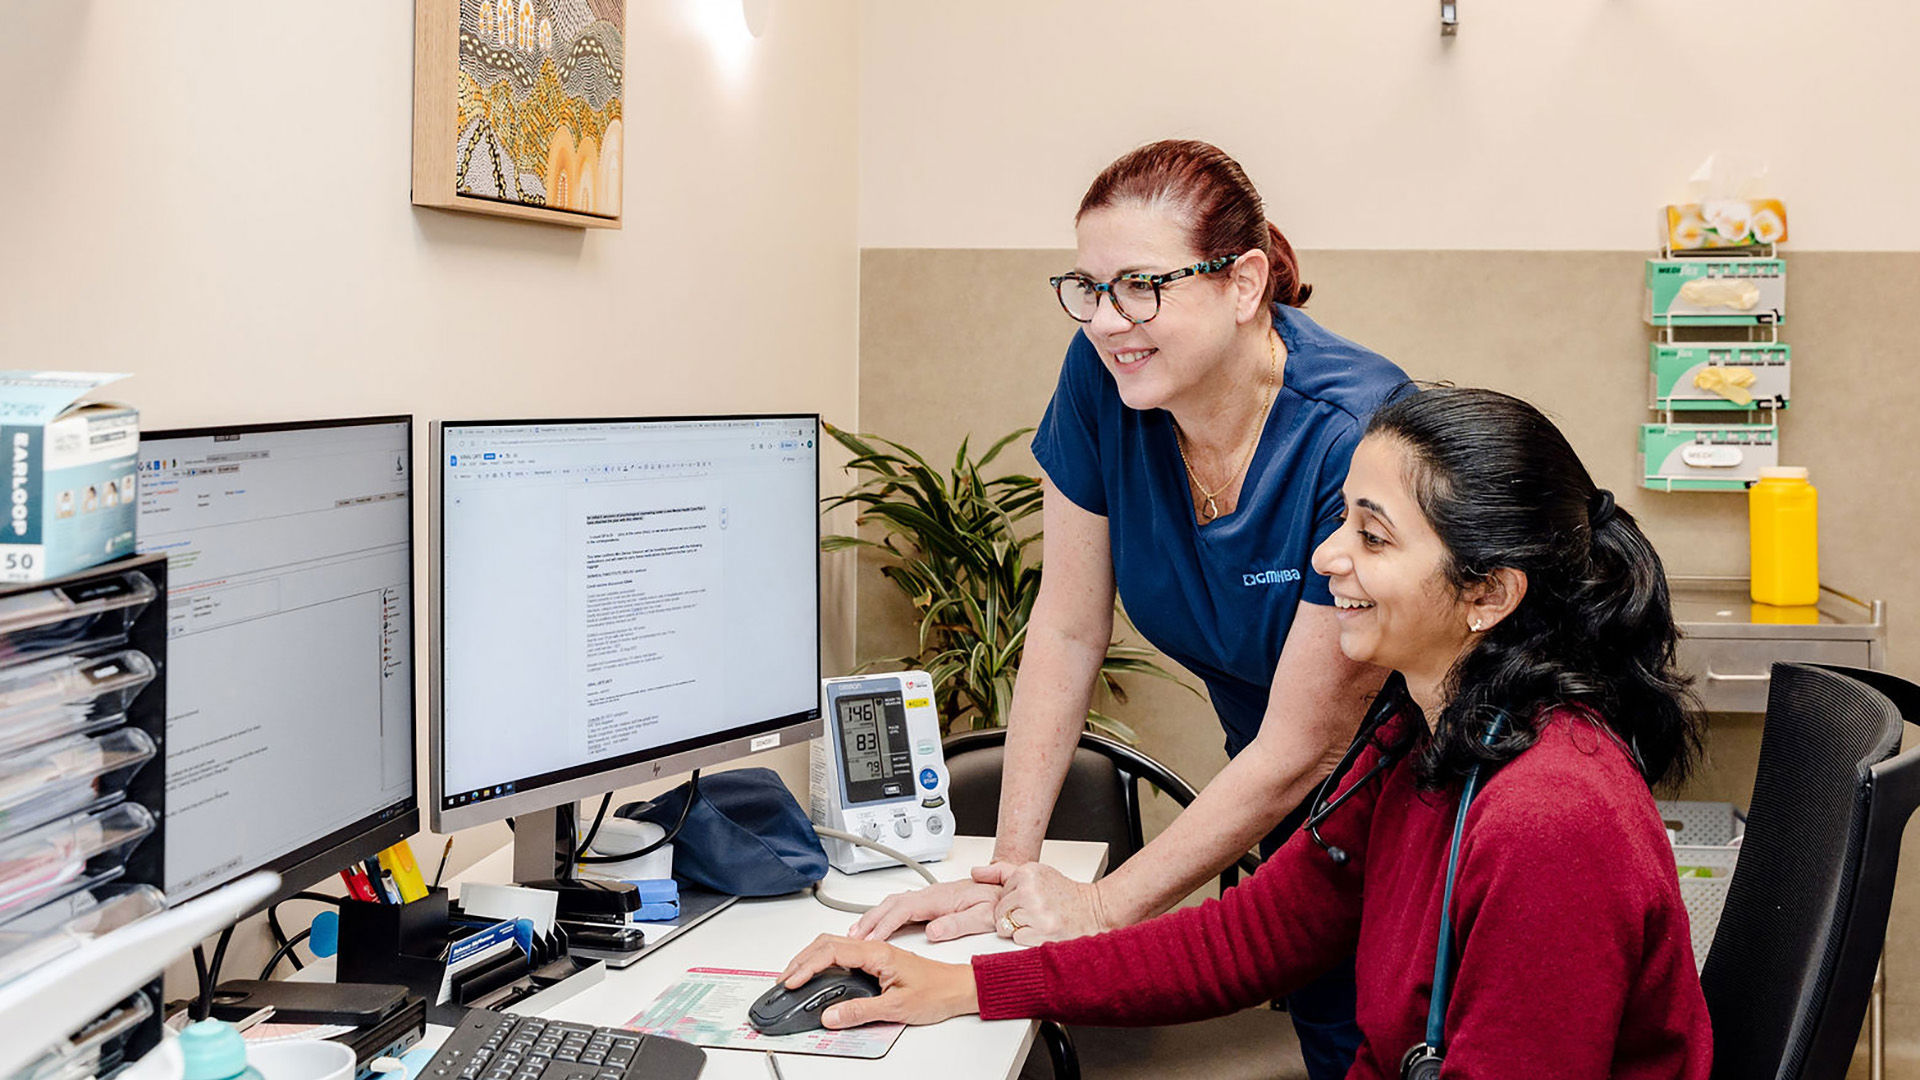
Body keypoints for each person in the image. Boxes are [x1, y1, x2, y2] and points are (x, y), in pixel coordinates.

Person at [786, 387, 1714, 1079]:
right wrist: (964, 990)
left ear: (1488, 593)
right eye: (1342, 515)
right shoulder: (1422, 739)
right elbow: (1250, 940)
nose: (1326, 556)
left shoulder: (1551, 819)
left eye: (1374, 536)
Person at [850, 139, 1407, 1078]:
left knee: (1390, 1042)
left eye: (1141, 286)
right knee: (1326, 1036)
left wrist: (1099, 910)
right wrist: (1011, 874)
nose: (1110, 321)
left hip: (1410, 800)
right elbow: (1067, 631)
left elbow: (1308, 739)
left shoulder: (1353, 430)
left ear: (1243, 282)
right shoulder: (1106, 382)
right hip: (1281, 804)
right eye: (1089, 286)